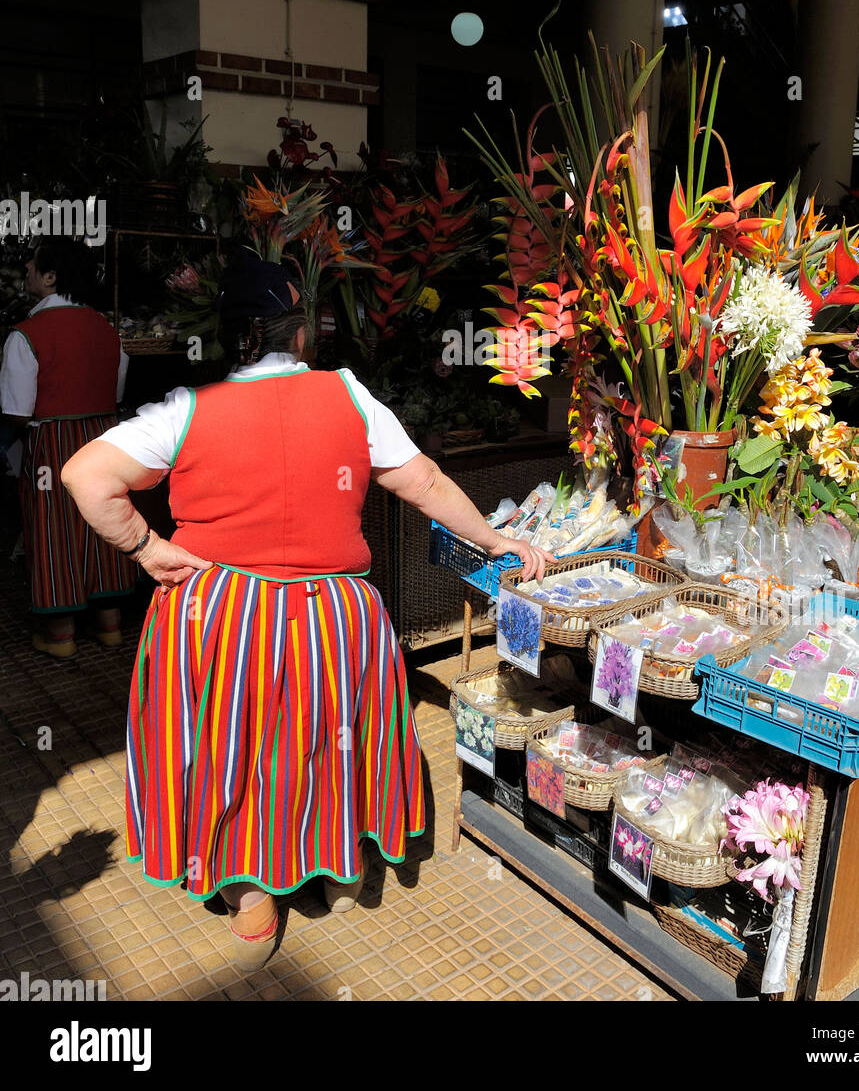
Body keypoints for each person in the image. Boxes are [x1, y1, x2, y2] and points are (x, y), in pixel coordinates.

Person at [62, 250, 550, 969]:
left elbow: (84, 474)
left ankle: (248, 895)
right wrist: (494, 536)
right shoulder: (348, 395)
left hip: (218, 613)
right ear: (299, 335)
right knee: (327, 738)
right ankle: (328, 864)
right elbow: (424, 482)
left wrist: (144, 546)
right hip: (332, 612)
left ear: (233, 337)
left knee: (226, 748)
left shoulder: (185, 409)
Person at [0, 239, 135, 658]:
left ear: (50, 276)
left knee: (52, 529)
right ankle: (109, 624)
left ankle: (61, 635)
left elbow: (18, 412)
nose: (26, 266)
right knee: (104, 525)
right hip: (103, 439)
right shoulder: (107, 330)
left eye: (34, 263)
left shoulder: (26, 335)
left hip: (52, 446)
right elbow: (114, 391)